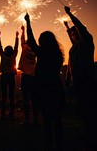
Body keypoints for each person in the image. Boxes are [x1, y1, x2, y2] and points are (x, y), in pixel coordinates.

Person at [24, 13, 65, 151]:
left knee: (47, 120)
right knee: (57, 119)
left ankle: (49, 145)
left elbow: (31, 38)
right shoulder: (59, 54)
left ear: (43, 41)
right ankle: (59, 145)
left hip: (44, 88)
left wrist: (28, 22)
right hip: (56, 87)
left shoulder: (42, 52)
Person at [63, 6, 96, 151]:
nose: (73, 36)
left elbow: (80, 28)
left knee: (89, 107)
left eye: (75, 34)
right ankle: (88, 132)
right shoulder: (75, 46)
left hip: (87, 80)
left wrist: (70, 14)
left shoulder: (87, 41)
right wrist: (68, 75)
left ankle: (92, 136)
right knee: (83, 108)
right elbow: (71, 61)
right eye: (71, 35)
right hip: (77, 81)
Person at [17, 24, 39, 127]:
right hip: (34, 77)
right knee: (34, 98)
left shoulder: (24, 48)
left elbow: (22, 39)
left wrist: (23, 30)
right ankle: (35, 119)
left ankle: (27, 120)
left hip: (25, 76)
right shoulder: (36, 51)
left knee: (26, 99)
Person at [0, 30, 19, 120]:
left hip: (4, 76)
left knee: (4, 96)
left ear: (5, 51)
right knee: (11, 96)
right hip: (11, 77)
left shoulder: (3, 56)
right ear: (12, 51)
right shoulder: (13, 56)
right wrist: (17, 37)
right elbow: (16, 47)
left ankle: (3, 114)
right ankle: (11, 113)